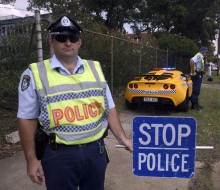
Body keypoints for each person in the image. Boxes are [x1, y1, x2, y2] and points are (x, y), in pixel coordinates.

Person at [17, 15, 133, 190]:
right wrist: (31, 160)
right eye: (61, 38)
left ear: (80, 42)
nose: (68, 42)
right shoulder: (34, 74)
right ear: (51, 42)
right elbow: (26, 119)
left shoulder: (95, 69)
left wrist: (123, 138)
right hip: (59, 155)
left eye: (73, 38)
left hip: (96, 152)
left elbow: (109, 107)